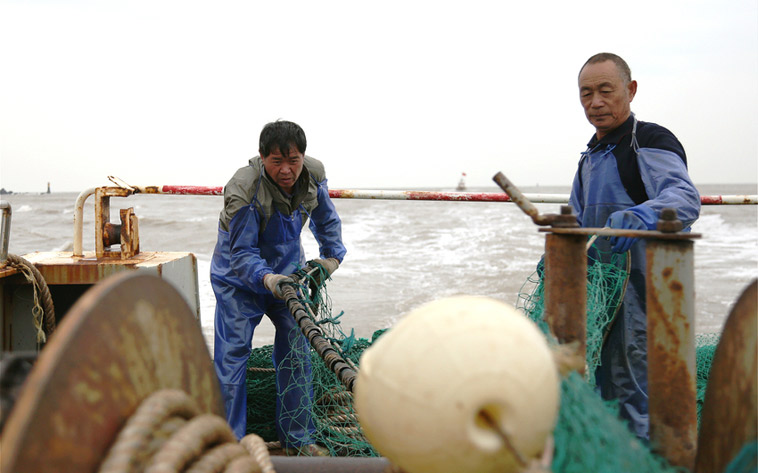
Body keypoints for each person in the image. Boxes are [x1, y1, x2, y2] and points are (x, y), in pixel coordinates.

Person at [568, 53, 700, 440]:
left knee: (637, 398)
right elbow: (578, 222)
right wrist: (560, 254)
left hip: (647, 298)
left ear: (631, 90)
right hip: (601, 299)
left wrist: (641, 216)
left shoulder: (650, 140)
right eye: (586, 93)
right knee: (604, 387)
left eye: (606, 91)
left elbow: (684, 197)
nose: (595, 102)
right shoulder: (589, 155)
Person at [210, 120, 346, 453]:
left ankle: (298, 440)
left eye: (293, 161)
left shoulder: (313, 174)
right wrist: (266, 278)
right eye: (276, 161)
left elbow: (326, 220)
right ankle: (231, 446)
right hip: (238, 281)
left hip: (290, 277)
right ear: (261, 157)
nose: (286, 170)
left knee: (297, 355)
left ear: (303, 156)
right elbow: (240, 253)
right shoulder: (243, 189)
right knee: (231, 359)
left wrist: (332, 257)